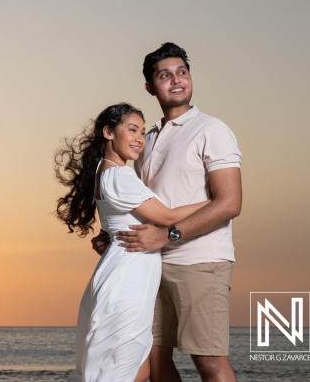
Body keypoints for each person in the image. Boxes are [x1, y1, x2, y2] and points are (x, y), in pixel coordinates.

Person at [93, 43, 242, 382]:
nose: (176, 81)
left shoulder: (211, 130)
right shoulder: (146, 140)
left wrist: (166, 234)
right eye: (165, 75)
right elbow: (142, 205)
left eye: (182, 73)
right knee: (154, 363)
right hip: (151, 266)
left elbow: (230, 203)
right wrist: (115, 236)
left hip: (200, 262)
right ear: (150, 86)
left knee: (210, 363)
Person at [55, 103, 212, 382]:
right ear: (108, 132)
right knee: (124, 367)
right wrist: (214, 201)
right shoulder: (119, 174)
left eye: (142, 131)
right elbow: (167, 216)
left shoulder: (106, 172)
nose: (140, 138)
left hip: (126, 270)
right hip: (128, 277)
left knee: (135, 365)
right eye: (131, 130)